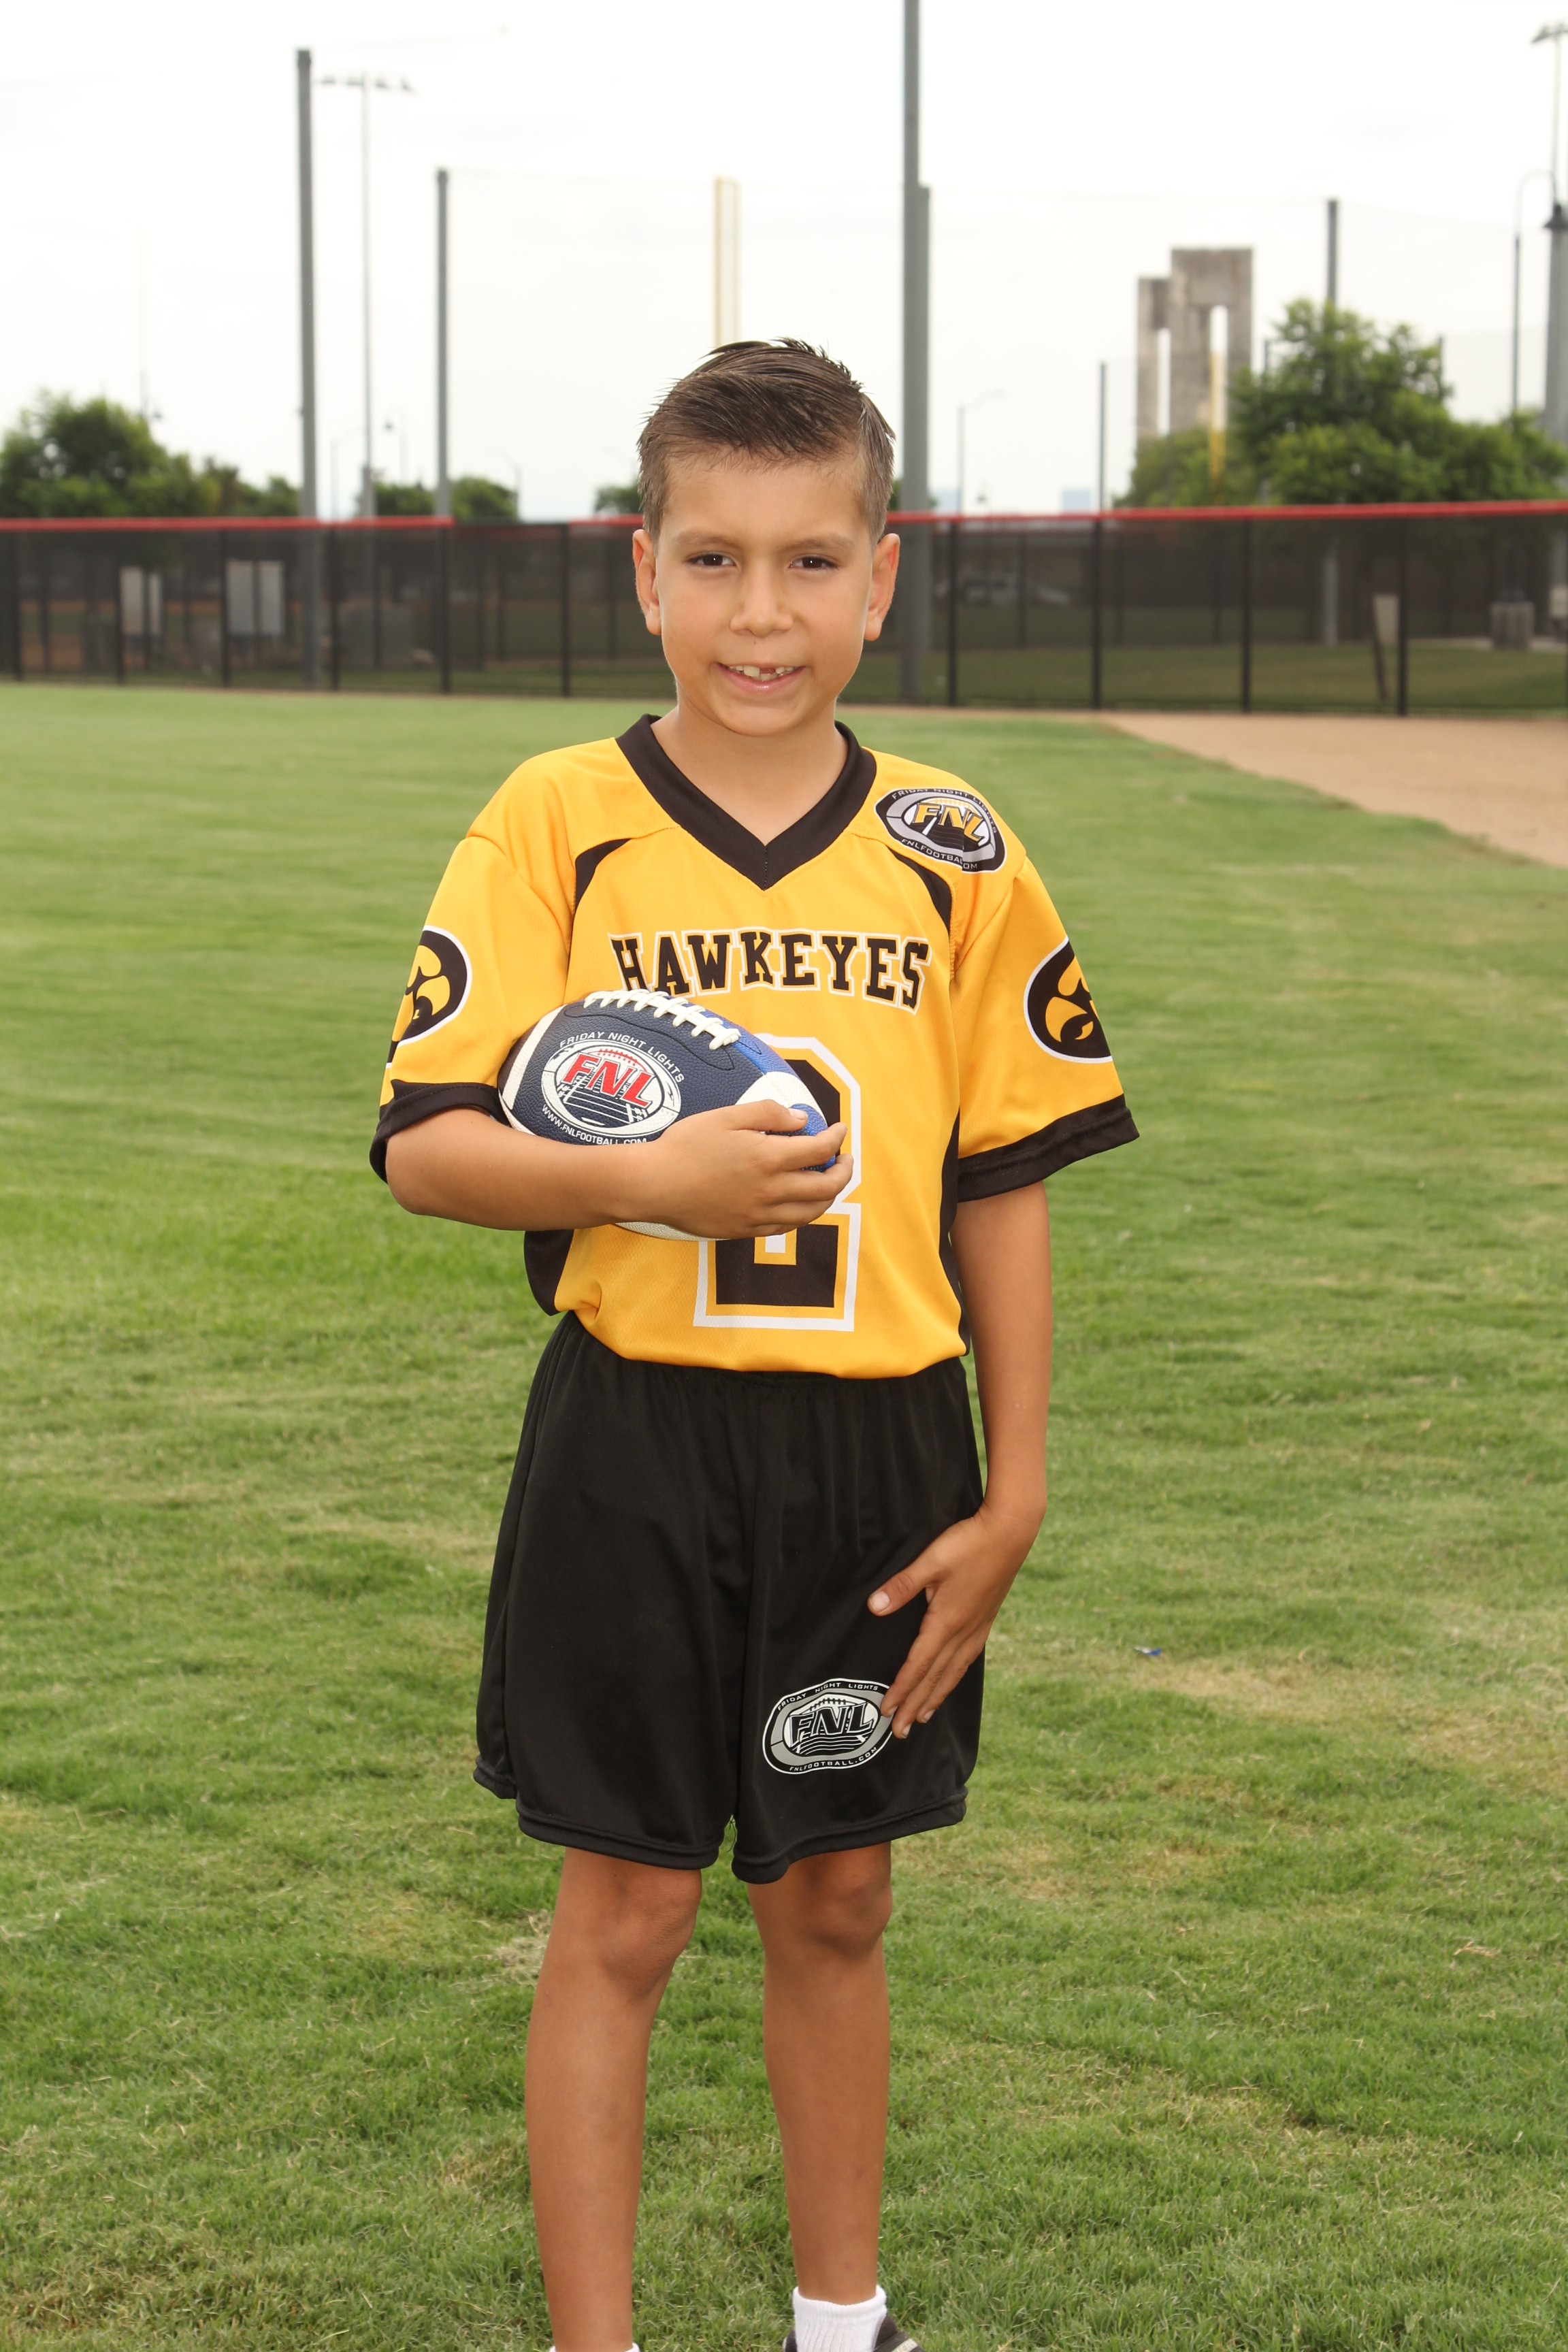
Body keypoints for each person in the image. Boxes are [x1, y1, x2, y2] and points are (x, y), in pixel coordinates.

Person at [374, 340, 1135, 2352]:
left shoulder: (958, 845)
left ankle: (839, 2323)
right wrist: (647, 1182)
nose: (762, 615)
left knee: (840, 1896)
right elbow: (431, 1146)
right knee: (622, 1906)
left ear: (884, 576)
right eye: (713, 560)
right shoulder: (557, 818)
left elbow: (1003, 1185)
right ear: (644, 573)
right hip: (633, 1443)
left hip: (883, 1450)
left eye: (810, 562)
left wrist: (1018, 1487)